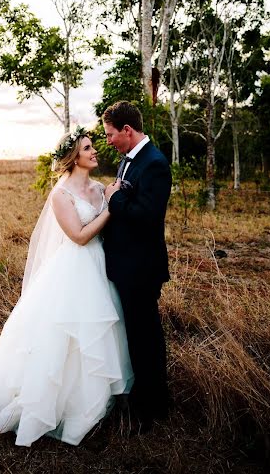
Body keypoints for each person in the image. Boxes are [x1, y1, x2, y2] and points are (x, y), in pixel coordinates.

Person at [0, 127, 133, 447]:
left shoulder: (98, 188)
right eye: (88, 148)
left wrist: (111, 199)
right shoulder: (60, 195)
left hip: (99, 267)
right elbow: (80, 236)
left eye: (93, 146)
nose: (95, 151)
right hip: (73, 269)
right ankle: (57, 404)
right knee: (63, 335)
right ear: (74, 157)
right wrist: (111, 207)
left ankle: (100, 399)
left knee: (99, 333)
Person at [102, 101, 172, 430]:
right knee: (137, 334)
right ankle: (146, 395)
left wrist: (113, 198)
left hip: (141, 267)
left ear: (127, 131)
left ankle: (153, 404)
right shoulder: (129, 160)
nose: (108, 140)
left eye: (110, 134)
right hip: (128, 264)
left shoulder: (154, 164)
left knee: (146, 337)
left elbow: (145, 216)